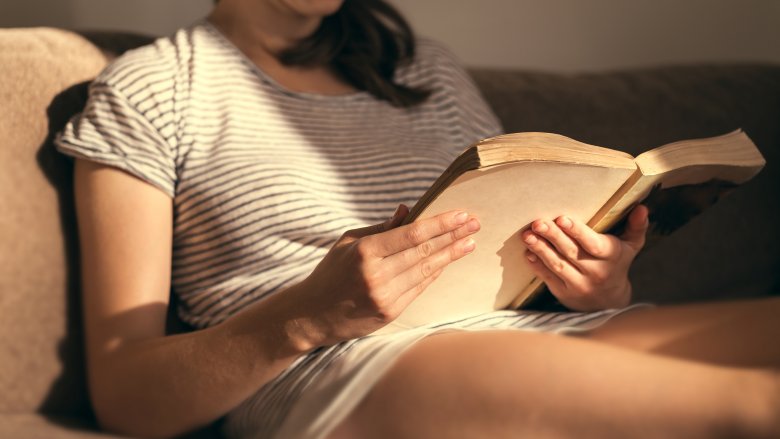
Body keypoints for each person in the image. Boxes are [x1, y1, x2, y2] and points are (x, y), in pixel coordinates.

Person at [55, 0, 779, 438]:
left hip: (525, 330)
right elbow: (124, 391)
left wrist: (591, 283)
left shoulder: (420, 70)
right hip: (341, 366)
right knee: (752, 408)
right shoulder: (150, 87)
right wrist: (304, 314)